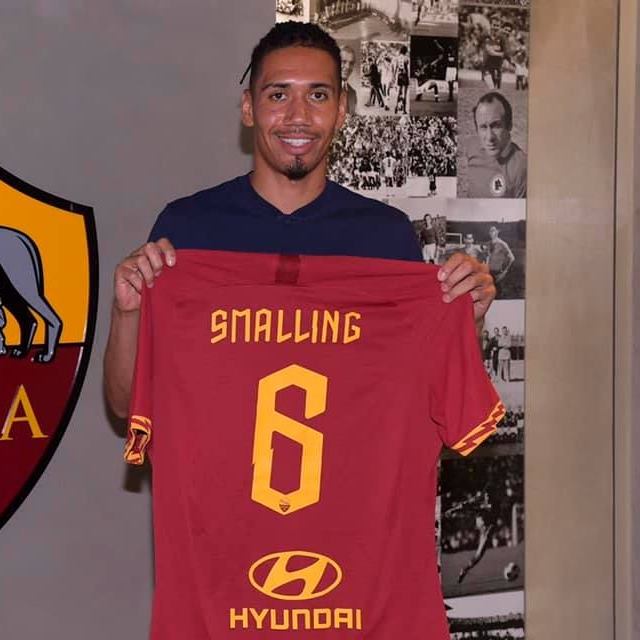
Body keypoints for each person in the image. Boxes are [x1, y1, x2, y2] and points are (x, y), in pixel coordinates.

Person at [104, 21, 496, 637]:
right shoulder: (187, 232)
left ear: (342, 109)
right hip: (223, 582)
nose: (297, 115)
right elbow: (129, 405)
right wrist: (129, 313)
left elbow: (424, 410)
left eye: (318, 95)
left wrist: (460, 320)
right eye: (277, 93)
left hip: (358, 584)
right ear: (247, 107)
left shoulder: (386, 238)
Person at [465, 91, 527, 198]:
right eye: (483, 127)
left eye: (496, 126)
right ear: (477, 129)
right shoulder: (472, 148)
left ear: (509, 125)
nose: (490, 137)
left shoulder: (522, 168)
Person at [486, 224, 515, 295]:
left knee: (498, 294)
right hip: (489, 273)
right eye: (490, 231)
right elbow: (488, 257)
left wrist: (504, 272)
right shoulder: (489, 244)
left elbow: (512, 258)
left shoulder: (502, 244)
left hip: (498, 274)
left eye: (493, 230)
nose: (491, 232)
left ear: (497, 232)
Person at [339, 43, 358, 113]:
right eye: (344, 62)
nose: (348, 67)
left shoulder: (353, 93)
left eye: (351, 63)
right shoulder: (324, 89)